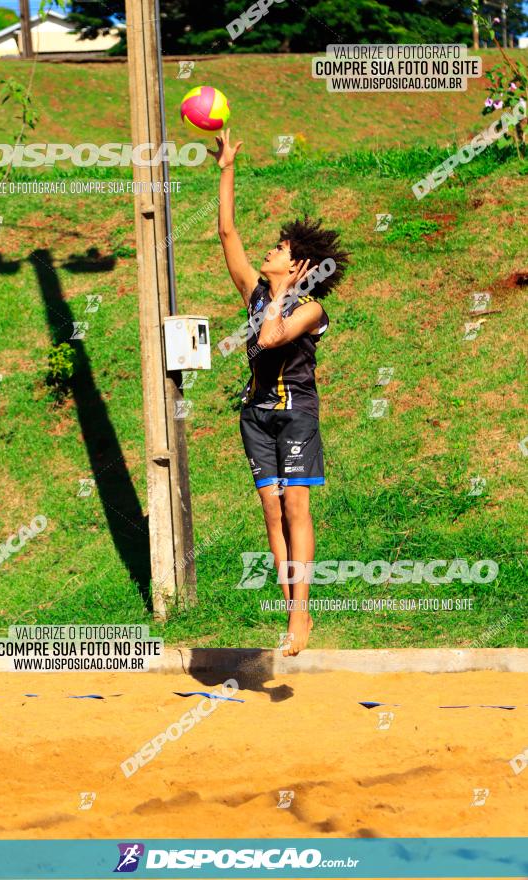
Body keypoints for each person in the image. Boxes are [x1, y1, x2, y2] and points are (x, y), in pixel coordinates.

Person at [209, 129, 348, 655]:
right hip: (255, 413)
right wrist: (226, 168)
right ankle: (289, 607)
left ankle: (301, 615)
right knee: (271, 510)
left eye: (281, 249)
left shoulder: (309, 309)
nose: (270, 249)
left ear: (297, 267)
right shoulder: (256, 290)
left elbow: (270, 338)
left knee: (295, 506)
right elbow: (227, 235)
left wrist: (286, 295)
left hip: (296, 413)